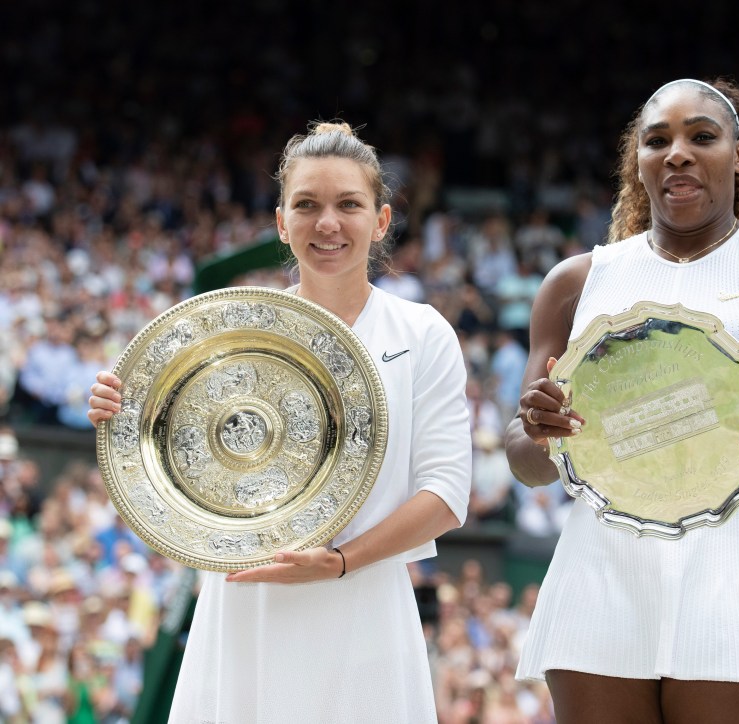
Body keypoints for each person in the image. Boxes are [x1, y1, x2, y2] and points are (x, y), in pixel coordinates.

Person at [504, 78, 739, 723]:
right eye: (658, 140)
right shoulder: (575, 282)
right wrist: (540, 430)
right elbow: (526, 459)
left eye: (701, 137)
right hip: (599, 574)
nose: (677, 153)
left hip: (736, 572)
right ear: (639, 162)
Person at [87, 121, 472, 723]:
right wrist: (122, 412)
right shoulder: (228, 328)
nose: (328, 224)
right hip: (245, 611)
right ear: (280, 221)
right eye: (307, 205)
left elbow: (447, 493)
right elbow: (167, 462)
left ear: (382, 220)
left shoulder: (422, 333)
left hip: (364, 606)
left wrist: (341, 561)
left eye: (349, 204)